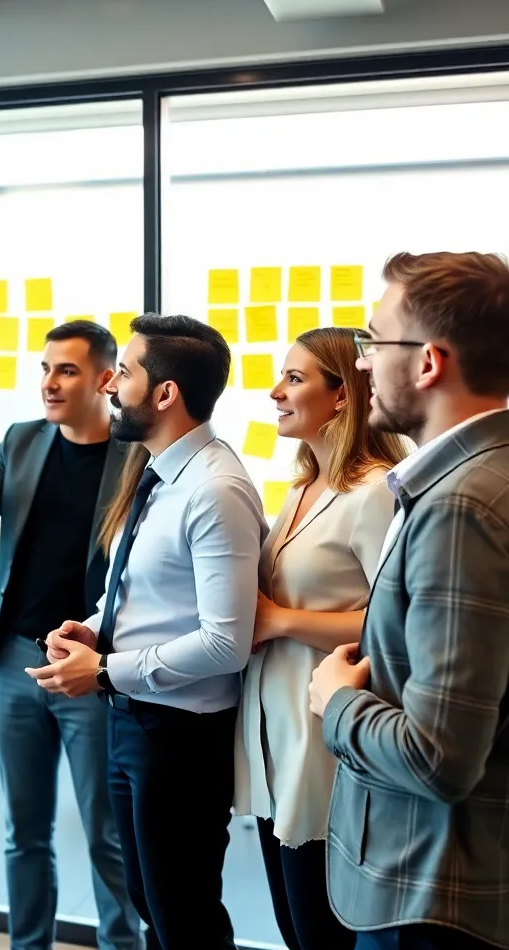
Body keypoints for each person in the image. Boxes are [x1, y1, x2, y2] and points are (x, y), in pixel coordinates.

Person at [31, 313, 268, 950]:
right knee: (150, 902)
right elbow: (140, 582)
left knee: (182, 912)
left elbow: (226, 642)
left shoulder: (216, 489)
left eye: (127, 373)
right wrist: (92, 630)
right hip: (134, 717)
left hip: (181, 735)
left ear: (164, 394)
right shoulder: (158, 471)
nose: (113, 386)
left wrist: (105, 670)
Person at [310, 251, 509, 950]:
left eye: (373, 341)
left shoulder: (463, 506)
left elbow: (438, 757)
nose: (362, 363)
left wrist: (335, 699)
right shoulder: (476, 479)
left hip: (432, 899)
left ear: (427, 362)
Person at [0, 320, 141, 950]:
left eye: (67, 370)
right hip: (16, 661)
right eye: (46, 369)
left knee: (106, 832)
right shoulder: (23, 441)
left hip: (91, 667)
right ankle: (29, 945)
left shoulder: (136, 457)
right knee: (24, 831)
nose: (50, 383)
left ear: (105, 379)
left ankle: (122, 943)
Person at [233, 328, 406, 950]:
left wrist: (277, 620)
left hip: (327, 737)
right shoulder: (300, 489)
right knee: (294, 924)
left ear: (342, 397)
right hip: (275, 726)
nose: (276, 391)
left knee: (321, 929)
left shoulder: (376, 491)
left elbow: (394, 622)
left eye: (295, 378)